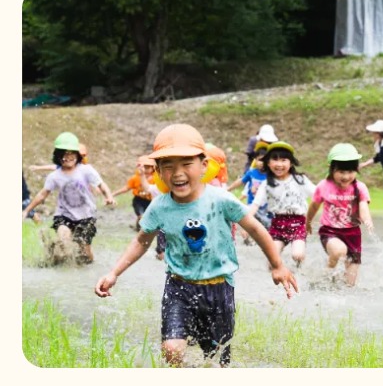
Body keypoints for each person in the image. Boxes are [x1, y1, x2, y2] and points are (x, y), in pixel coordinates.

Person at [94, 123, 298, 368]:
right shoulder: (159, 206)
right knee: (172, 349)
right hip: (178, 286)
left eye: (186, 164)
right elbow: (141, 240)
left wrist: (277, 265)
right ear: (158, 171)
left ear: (203, 165)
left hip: (219, 288)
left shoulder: (221, 200)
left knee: (216, 360)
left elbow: (255, 228)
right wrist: (114, 272)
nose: (177, 173)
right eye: (168, 166)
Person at [22, 132, 116, 264]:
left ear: (77, 155)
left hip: (86, 217)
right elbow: (42, 194)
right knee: (64, 241)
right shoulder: (54, 176)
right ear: (58, 156)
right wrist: (27, 210)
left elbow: (101, 184)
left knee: (86, 256)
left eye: (72, 153)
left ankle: (83, 266)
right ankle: (55, 255)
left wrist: (109, 196)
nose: (68, 157)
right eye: (64, 154)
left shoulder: (86, 170)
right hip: (64, 215)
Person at [306, 143, 373, 286]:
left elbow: (363, 205)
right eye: (341, 172)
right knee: (339, 251)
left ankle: (339, 287)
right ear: (332, 170)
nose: (346, 176)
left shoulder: (359, 187)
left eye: (350, 172)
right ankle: (325, 275)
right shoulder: (324, 186)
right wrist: (308, 222)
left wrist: (367, 220)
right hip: (330, 231)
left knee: (350, 283)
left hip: (353, 234)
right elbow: (314, 206)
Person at [249, 141, 316, 267]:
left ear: (291, 163)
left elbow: (318, 195)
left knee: (297, 255)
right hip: (277, 224)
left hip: (298, 223)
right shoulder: (266, 185)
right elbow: (255, 205)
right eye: (275, 160)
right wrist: (246, 224)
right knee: (271, 261)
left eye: (284, 160)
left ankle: (300, 269)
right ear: (268, 163)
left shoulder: (300, 180)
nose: (279, 164)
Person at [227, 143, 272, 243]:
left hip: (266, 207)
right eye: (259, 159)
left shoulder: (271, 175)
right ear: (255, 160)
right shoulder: (252, 173)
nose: (261, 162)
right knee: (250, 222)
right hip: (252, 204)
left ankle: (267, 240)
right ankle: (247, 239)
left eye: (265, 160)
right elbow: (241, 181)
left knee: (267, 226)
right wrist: (228, 189)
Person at [111, 155, 157, 231]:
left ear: (153, 168)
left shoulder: (156, 179)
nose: (145, 170)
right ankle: (139, 229)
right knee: (141, 216)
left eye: (148, 167)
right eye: (143, 167)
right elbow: (126, 188)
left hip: (150, 201)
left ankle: (139, 228)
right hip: (138, 200)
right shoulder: (135, 178)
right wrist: (112, 194)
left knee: (147, 216)